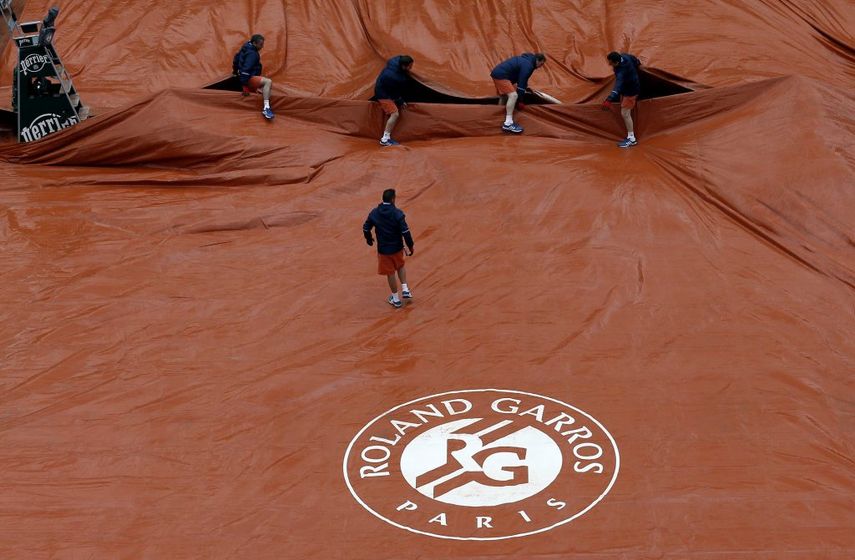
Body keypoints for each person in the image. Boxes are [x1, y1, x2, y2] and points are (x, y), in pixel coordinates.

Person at [363, 189, 415, 308]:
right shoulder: (397, 213)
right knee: (400, 266)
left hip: (384, 250)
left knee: (390, 273)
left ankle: (395, 299)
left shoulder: (374, 213)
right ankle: (405, 289)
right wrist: (410, 246)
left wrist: (369, 239)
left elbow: (366, 228)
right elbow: (406, 232)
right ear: (393, 199)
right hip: (397, 247)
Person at [490, 52, 546, 134]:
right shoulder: (528, 65)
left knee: (505, 96)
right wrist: (520, 100)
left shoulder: (527, 61)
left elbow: (523, 79)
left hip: (499, 73)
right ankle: (508, 124)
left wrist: (523, 88)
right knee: (513, 96)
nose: (541, 67)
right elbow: (521, 84)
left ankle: (499, 115)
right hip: (501, 75)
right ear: (538, 60)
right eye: (541, 64)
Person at [603, 51, 641, 147]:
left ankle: (632, 139)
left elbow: (618, 85)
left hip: (630, 92)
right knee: (624, 110)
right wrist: (638, 63)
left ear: (616, 62)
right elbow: (635, 60)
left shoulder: (621, 71)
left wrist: (609, 99)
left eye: (610, 63)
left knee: (625, 113)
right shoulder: (625, 56)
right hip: (629, 87)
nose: (609, 64)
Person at [374, 55, 414, 146]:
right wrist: (400, 101)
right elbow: (393, 93)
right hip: (383, 94)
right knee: (395, 114)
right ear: (404, 66)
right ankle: (385, 139)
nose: (411, 68)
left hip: (386, 87)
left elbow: (400, 56)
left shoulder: (395, 60)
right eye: (410, 66)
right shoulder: (394, 77)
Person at [234, 34, 274, 120]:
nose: (262, 47)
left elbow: (236, 59)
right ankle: (266, 108)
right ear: (254, 43)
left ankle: (256, 89)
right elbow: (246, 70)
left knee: (263, 84)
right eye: (261, 45)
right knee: (268, 82)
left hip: (243, 76)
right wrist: (244, 86)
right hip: (247, 78)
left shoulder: (246, 47)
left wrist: (235, 72)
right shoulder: (252, 54)